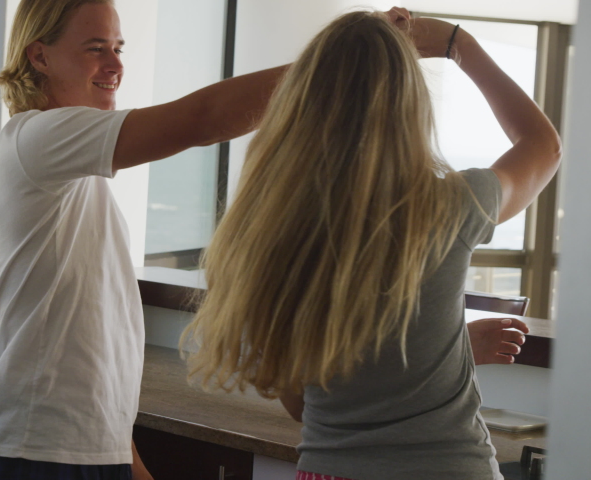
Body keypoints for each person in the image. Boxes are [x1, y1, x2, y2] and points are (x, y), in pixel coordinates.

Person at [0, 1, 537, 478]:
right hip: (40, 452)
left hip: (82, 447)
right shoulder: (36, 141)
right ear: (39, 56)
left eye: (119, 47)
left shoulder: (71, 168)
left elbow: (85, 349)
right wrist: (341, 63)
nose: (116, 64)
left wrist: (126, 456)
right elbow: (203, 118)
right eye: (95, 48)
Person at [182, 9, 560, 480]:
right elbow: (543, 145)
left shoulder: (267, 226)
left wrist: (453, 347)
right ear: (409, 106)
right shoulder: (448, 206)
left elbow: (302, 404)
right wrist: (458, 43)